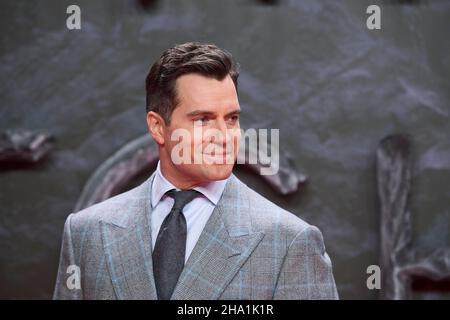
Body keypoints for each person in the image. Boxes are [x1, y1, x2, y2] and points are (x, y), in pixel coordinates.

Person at [53, 42, 339, 300]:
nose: (224, 136)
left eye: (231, 118)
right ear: (156, 126)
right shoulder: (85, 232)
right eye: (202, 119)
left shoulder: (290, 242)